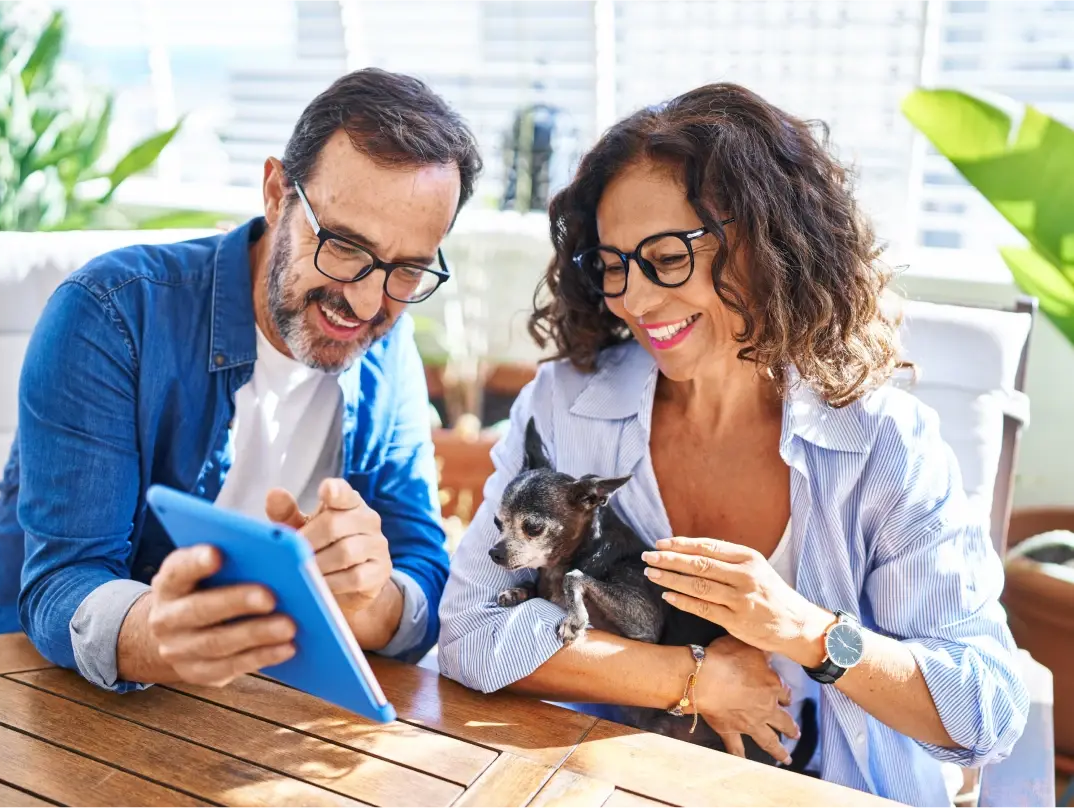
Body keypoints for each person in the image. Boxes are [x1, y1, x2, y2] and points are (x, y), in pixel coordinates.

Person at [437, 83, 1027, 805]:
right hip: (603, 784)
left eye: (665, 256)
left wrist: (809, 634)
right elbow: (469, 632)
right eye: (615, 263)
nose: (636, 299)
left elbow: (987, 712)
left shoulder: (882, 444)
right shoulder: (565, 406)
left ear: (763, 240)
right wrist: (691, 677)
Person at [0, 67, 483, 694]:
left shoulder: (390, 345)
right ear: (277, 194)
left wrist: (373, 601)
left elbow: (421, 563)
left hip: (234, 717)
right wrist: (156, 634)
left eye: (406, 269)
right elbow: (63, 582)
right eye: (345, 247)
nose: (364, 303)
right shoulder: (113, 313)